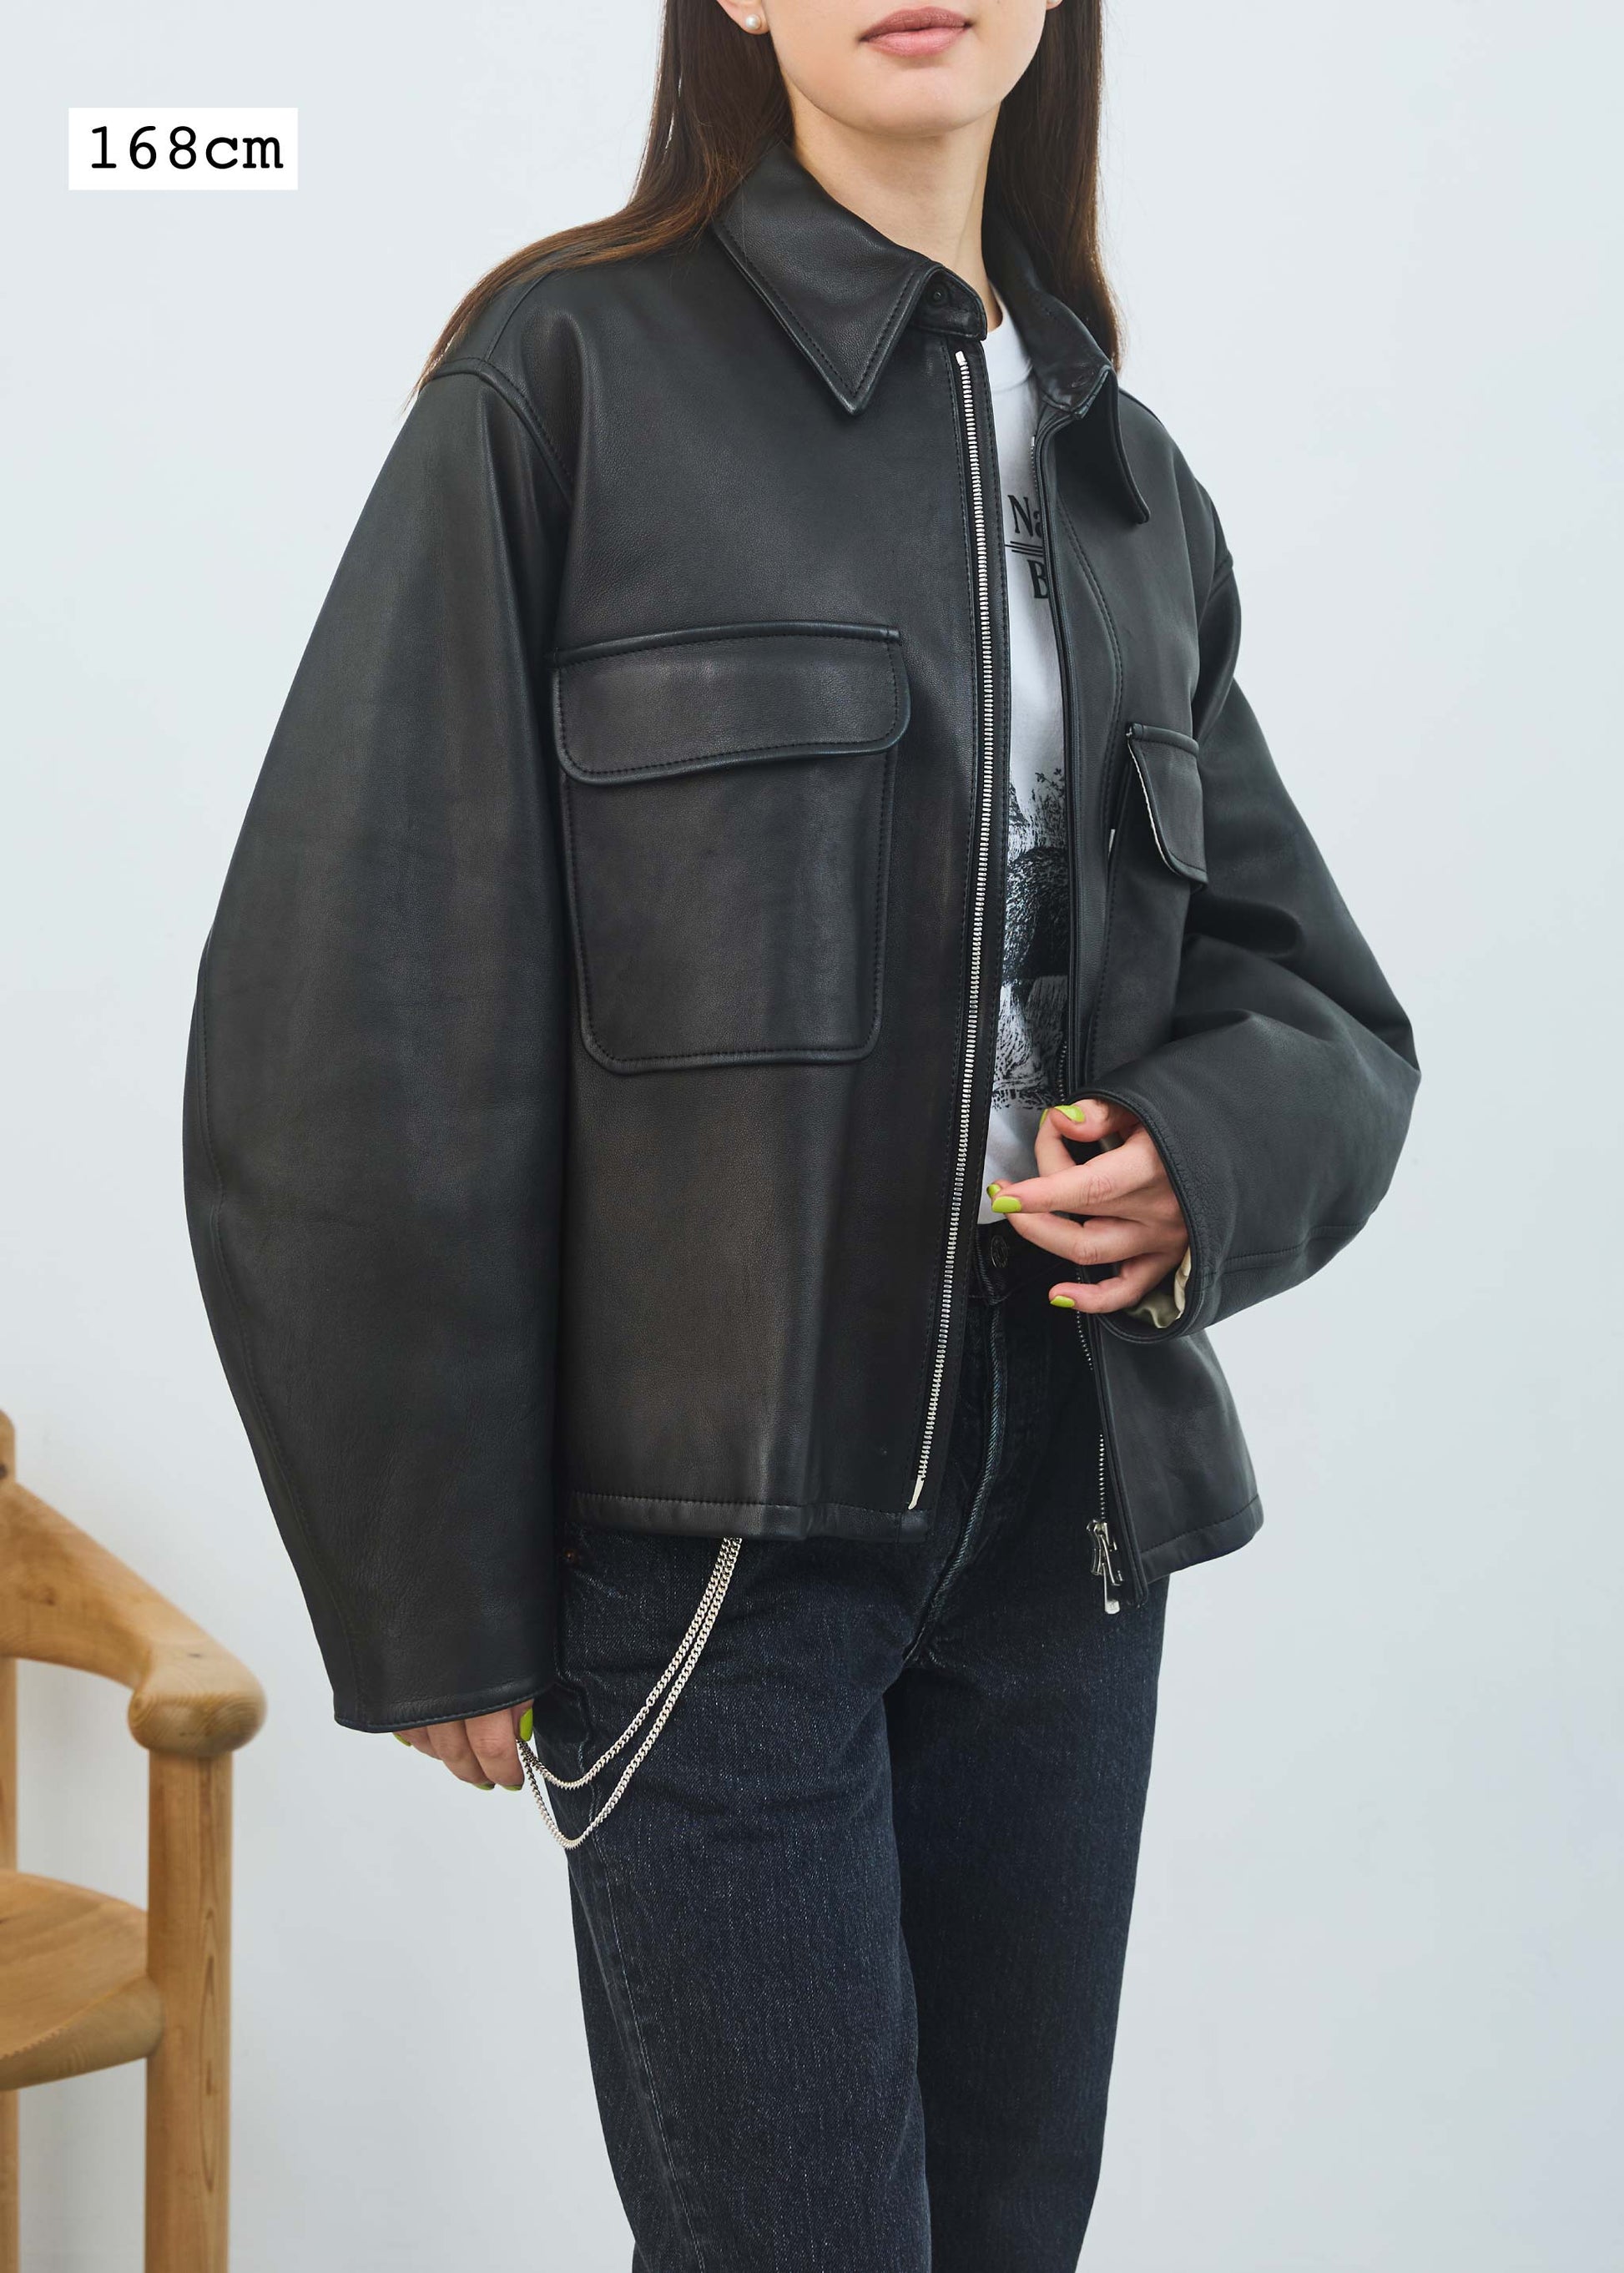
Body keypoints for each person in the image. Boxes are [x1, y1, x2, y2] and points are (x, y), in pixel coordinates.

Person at [184, 3, 1419, 2265]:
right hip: (713, 1562)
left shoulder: (1124, 476)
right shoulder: (564, 380)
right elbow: (349, 1011)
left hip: (1067, 1533)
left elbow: (1320, 1007)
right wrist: (425, 1577)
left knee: (1006, 2237)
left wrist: (1195, 1154)